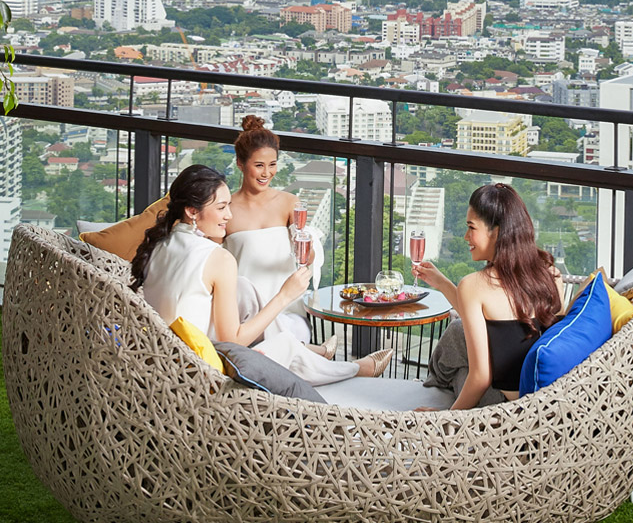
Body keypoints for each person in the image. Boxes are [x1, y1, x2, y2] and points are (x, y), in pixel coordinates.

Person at [132, 163, 392, 385]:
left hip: (166, 357)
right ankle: (356, 369)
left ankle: (309, 351)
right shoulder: (217, 258)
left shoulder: (158, 244)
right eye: (221, 208)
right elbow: (231, 340)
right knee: (286, 346)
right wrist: (284, 295)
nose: (229, 215)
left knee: (243, 287)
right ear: (192, 211)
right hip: (201, 372)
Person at [413, 183, 563, 409]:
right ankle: (438, 378)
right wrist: (442, 283)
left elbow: (481, 378)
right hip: (542, 403)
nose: (465, 236)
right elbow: (505, 333)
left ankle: (436, 381)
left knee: (457, 333)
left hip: (500, 408)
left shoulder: (474, 285)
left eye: (471, 227)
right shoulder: (551, 273)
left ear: (498, 232)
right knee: (463, 331)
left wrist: (445, 422)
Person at [222, 117, 327, 350]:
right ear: (240, 163)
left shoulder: (289, 203)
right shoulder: (225, 208)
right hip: (244, 315)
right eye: (259, 165)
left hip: (288, 311)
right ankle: (318, 355)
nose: (266, 173)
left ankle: (309, 353)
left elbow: (306, 262)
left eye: (272, 165)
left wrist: (306, 245)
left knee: (282, 338)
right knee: (272, 344)